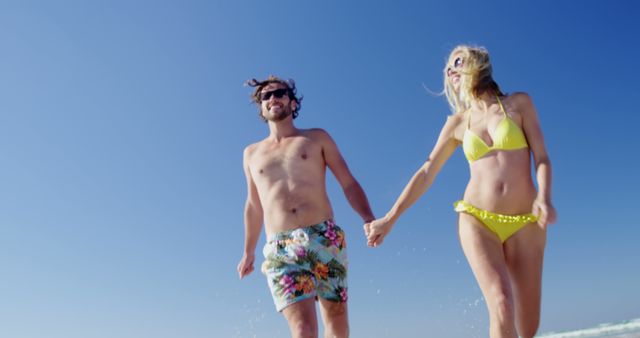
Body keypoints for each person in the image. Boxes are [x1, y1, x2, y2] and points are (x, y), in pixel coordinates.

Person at [364, 45, 557, 338]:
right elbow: (427, 171)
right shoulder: (457, 123)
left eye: (457, 62)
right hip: (478, 219)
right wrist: (390, 219)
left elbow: (542, 157)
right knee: (502, 305)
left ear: (477, 62)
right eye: (447, 70)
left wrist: (544, 196)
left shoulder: (519, 104)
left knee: (528, 327)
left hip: (526, 221)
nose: (451, 71)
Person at [237, 75, 375, 338]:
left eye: (279, 92)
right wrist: (248, 251)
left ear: (291, 100)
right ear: (261, 107)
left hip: (325, 237)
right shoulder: (251, 154)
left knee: (336, 321)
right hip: (280, 247)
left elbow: (347, 182)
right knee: (303, 330)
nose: (273, 98)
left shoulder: (316, 139)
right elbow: (254, 205)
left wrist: (367, 217)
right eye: (266, 96)